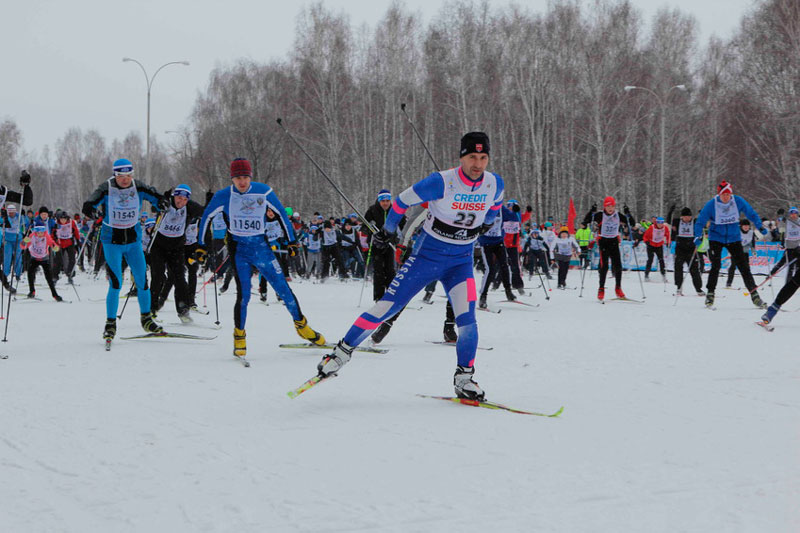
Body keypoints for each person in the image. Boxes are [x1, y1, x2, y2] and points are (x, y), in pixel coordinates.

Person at [315, 131, 504, 401]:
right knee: (386, 306)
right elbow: (402, 200)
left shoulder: (494, 183)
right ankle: (340, 354)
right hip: (427, 257)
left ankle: (465, 378)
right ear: (462, 157)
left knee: (468, 321)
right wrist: (388, 229)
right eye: (472, 157)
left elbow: (495, 206)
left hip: (460, 261)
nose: (478, 164)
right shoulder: (441, 182)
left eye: (483, 158)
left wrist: (486, 223)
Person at [195, 158, 325, 359]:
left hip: (262, 248)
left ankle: (302, 326)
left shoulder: (263, 191)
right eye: (238, 178)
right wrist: (201, 245)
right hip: (240, 251)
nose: (242, 182)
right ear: (232, 178)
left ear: (250, 177)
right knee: (244, 295)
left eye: (245, 177)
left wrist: (292, 242)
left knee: (283, 288)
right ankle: (239, 336)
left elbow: (281, 214)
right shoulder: (224, 196)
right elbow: (206, 218)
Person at [82, 158, 166, 342]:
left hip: (133, 241)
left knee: (143, 280)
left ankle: (146, 318)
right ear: (115, 175)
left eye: (128, 176)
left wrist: (161, 203)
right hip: (112, 240)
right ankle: (110, 323)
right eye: (121, 176)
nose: (125, 180)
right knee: (116, 283)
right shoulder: (106, 187)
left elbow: (157, 197)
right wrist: (90, 209)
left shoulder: (138, 186)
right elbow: (90, 202)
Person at [693, 180, 768, 308]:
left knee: (744, 266)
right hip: (716, 237)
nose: (726, 197)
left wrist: (759, 225)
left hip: (733, 238)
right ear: (719, 194)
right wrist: (697, 235)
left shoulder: (737, 201)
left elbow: (750, 212)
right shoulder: (712, 204)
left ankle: (754, 294)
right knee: (715, 266)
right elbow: (701, 220)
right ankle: (710, 293)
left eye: (728, 194)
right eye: (724, 195)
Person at [149, 184, 205, 321]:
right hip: (159, 245)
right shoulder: (166, 202)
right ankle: (151, 309)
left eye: (185, 200)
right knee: (158, 276)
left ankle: (183, 310)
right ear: (174, 196)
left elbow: (205, 213)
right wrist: (160, 201)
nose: (181, 202)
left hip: (176, 246)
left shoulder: (190, 206)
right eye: (179, 198)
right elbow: (153, 207)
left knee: (180, 278)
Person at [583, 196, 631, 301]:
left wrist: (628, 213)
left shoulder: (618, 215)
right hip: (603, 241)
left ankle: (618, 288)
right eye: (608, 206)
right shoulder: (600, 215)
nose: (610, 208)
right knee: (604, 266)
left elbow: (630, 222)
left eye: (612, 206)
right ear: (605, 206)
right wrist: (591, 211)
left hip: (614, 241)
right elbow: (586, 221)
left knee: (618, 265)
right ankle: (601, 288)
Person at [477, 208, 514, 308]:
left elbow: (514, 218)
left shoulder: (502, 209)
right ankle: (483, 296)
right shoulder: (484, 206)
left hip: (499, 242)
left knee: (505, 266)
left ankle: (508, 291)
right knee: (490, 269)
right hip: (485, 243)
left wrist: (515, 211)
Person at [20, 224, 63, 301]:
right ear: (36, 232)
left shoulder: (47, 236)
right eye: (38, 232)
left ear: (44, 232)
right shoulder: (32, 236)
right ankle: (32, 291)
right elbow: (23, 247)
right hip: (34, 258)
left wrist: (55, 247)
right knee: (30, 273)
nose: (40, 234)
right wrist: (24, 241)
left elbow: (52, 244)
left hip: (44, 259)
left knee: (49, 277)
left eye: (41, 232)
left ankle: (55, 295)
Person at [671, 207, 704, 296]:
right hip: (680, 248)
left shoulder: (695, 222)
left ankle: (698, 289)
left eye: (688, 217)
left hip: (691, 249)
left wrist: (699, 240)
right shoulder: (677, 222)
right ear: (682, 217)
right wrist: (671, 211)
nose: (686, 218)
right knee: (678, 268)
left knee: (694, 270)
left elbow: (701, 227)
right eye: (684, 217)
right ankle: (679, 287)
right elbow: (669, 221)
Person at [769, 206, 800, 280]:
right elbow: (780, 230)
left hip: (798, 246)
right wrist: (782, 220)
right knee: (791, 267)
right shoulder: (786, 221)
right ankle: (788, 284)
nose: (793, 215)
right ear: (789, 214)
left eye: (795, 213)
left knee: (798, 266)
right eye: (792, 213)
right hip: (789, 247)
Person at [502, 199, 525, 294]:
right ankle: (498, 284)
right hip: (503, 243)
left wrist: (528, 211)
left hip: (513, 244)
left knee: (515, 265)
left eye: (510, 205)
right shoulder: (505, 214)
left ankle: (518, 285)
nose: (509, 207)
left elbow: (524, 218)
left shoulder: (517, 215)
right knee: (502, 265)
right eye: (508, 205)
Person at [725, 219, 756, 288]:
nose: (746, 227)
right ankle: (729, 283)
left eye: (747, 226)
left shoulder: (751, 233)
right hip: (736, 252)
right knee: (733, 266)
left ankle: (751, 284)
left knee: (747, 268)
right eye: (744, 226)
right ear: (741, 226)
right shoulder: (737, 232)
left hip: (745, 252)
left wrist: (753, 251)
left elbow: (752, 243)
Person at [53, 211, 81, 284]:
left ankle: (70, 275)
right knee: (58, 260)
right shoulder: (56, 223)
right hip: (60, 243)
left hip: (69, 243)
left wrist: (78, 240)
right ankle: (55, 276)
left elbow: (76, 232)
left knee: (72, 259)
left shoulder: (71, 222)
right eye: (61, 219)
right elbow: (53, 233)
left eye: (64, 219)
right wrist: (53, 242)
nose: (63, 221)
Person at [641, 216, 670, 282]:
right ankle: (646, 275)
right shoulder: (652, 227)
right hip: (651, 245)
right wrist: (646, 242)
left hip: (659, 245)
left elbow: (668, 235)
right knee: (650, 260)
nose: (660, 224)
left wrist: (668, 242)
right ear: (656, 223)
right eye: (659, 223)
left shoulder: (665, 228)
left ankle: (663, 275)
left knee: (661, 260)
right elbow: (645, 236)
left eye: (661, 223)